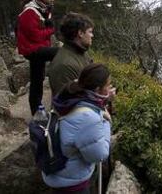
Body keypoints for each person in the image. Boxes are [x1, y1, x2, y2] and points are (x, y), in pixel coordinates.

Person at [43, 63, 112, 194]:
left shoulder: (69, 95)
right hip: (72, 183)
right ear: (97, 90)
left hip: (56, 170)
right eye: (108, 85)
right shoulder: (88, 118)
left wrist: (103, 104)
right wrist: (106, 122)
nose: (109, 89)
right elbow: (99, 155)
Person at [17, 0, 58, 115]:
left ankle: (37, 113)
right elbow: (34, 36)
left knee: (37, 80)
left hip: (39, 47)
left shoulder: (43, 9)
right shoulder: (30, 12)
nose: (52, 0)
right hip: (32, 49)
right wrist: (50, 30)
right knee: (61, 53)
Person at [48, 12, 94, 96]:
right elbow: (67, 102)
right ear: (80, 33)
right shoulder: (64, 65)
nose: (92, 35)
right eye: (90, 32)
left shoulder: (82, 53)